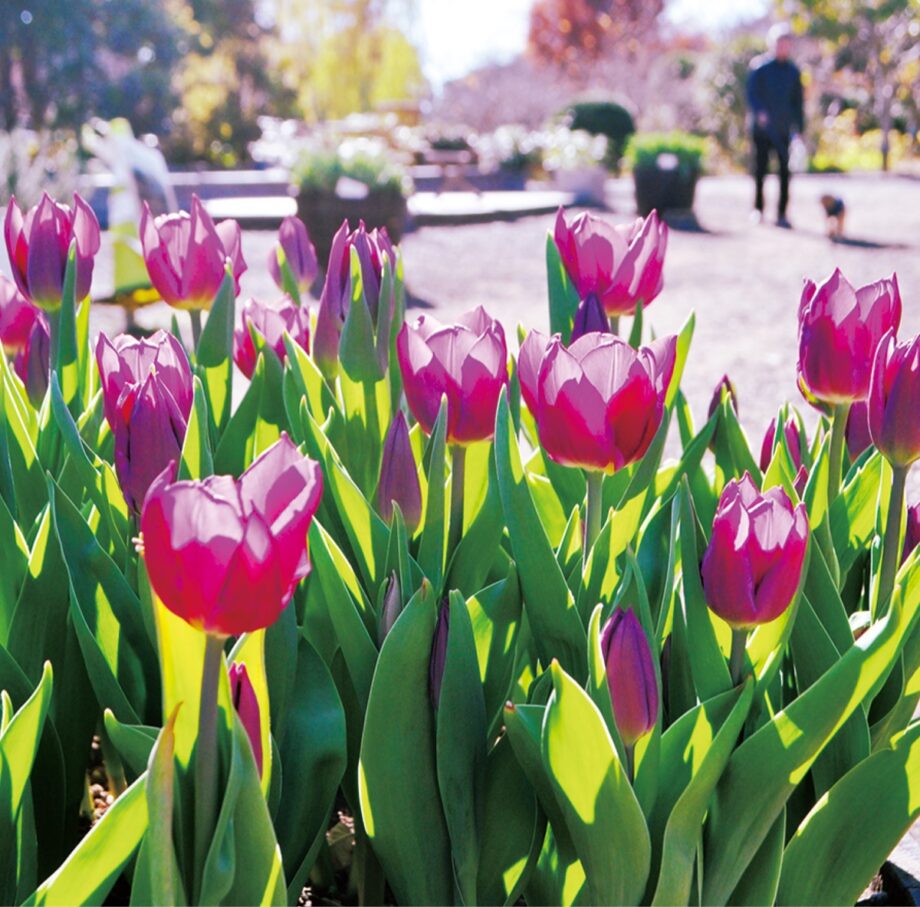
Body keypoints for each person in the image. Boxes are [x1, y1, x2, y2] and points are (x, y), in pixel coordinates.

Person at [746, 24, 804, 227]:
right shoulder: (759, 68)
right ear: (772, 44)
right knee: (760, 171)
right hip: (762, 131)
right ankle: (758, 209)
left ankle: (782, 213)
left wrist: (799, 130)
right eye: (780, 43)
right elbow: (752, 94)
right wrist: (760, 112)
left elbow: (798, 103)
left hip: (783, 130)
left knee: (785, 174)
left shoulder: (793, 72)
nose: (783, 47)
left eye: (786, 44)